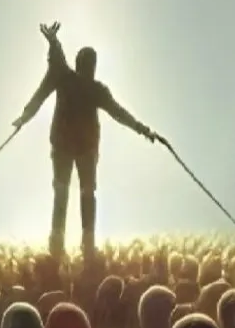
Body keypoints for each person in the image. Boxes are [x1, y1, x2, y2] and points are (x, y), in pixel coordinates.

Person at [12, 22, 156, 260]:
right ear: (86, 66)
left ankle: (72, 244)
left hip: (75, 149)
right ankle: (72, 245)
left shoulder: (81, 84)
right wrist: (25, 117)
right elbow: (119, 113)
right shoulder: (82, 84)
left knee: (73, 193)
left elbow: (119, 113)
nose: (90, 69)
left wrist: (144, 130)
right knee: (75, 193)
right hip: (74, 149)